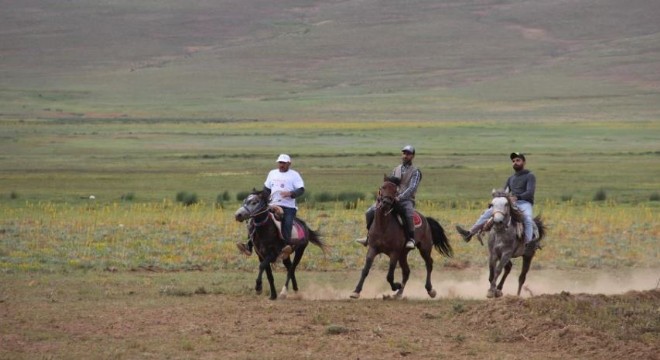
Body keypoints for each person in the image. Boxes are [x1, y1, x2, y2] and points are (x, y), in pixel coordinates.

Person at [455, 152, 538, 256]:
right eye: (513, 161)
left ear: (524, 162)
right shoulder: (511, 178)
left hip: (524, 203)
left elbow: (530, 192)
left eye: (518, 160)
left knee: (527, 219)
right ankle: (470, 233)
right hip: (510, 203)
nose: (515, 163)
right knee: (487, 213)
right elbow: (504, 192)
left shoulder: (530, 176)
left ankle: (528, 244)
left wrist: (517, 197)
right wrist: (497, 200)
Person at [237, 154, 305, 259]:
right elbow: (266, 189)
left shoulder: (294, 175)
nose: (281, 165)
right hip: (272, 205)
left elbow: (301, 190)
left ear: (289, 164)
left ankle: (287, 246)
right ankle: (249, 245)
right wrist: (260, 197)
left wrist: (290, 193)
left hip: (288, 207)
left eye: (284, 163)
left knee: (287, 222)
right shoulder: (272, 173)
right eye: (280, 163)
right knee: (255, 219)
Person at [356, 145, 422, 249]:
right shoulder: (396, 169)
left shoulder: (416, 172)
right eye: (404, 153)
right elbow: (390, 184)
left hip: (406, 200)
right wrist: (383, 194)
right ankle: (369, 236)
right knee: (370, 211)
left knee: (409, 213)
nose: (405, 156)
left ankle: (411, 239)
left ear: (413, 156)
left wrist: (400, 197)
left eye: (408, 154)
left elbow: (412, 188)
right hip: (391, 198)